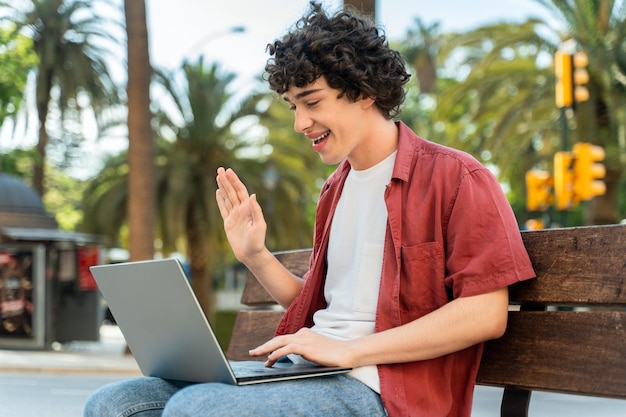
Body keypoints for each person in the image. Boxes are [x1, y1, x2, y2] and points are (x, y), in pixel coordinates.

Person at [84, 2, 535, 416]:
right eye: (292, 107)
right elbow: (321, 306)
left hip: (386, 391)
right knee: (116, 404)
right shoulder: (335, 190)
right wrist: (254, 255)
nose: (300, 123)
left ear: (363, 92)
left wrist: (351, 351)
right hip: (311, 372)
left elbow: (485, 314)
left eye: (312, 102)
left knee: (198, 409)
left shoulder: (456, 178)